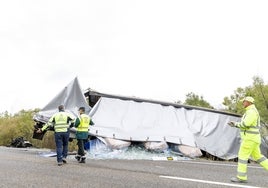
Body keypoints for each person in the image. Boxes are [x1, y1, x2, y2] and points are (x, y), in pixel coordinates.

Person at [228, 96, 268, 183]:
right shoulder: (251, 111)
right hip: (253, 139)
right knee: (258, 157)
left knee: (242, 156)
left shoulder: (251, 112)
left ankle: (241, 177)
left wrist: (235, 124)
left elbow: (246, 124)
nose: (243, 103)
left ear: (248, 102)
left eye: (244, 101)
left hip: (249, 139)